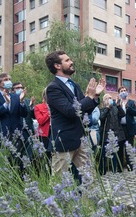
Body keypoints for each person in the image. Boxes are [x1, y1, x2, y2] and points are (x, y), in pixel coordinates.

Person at [45, 50, 106, 180]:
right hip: (64, 142)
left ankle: (87, 201)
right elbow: (70, 111)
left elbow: (85, 111)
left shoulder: (74, 85)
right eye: (67, 60)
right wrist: (88, 96)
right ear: (57, 66)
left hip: (81, 141)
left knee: (90, 179)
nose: (71, 62)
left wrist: (94, 96)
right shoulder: (53, 88)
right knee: (60, 183)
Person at [0, 73, 28, 172]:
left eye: (9, 79)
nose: (9, 81)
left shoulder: (15, 97)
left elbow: (24, 114)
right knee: (4, 162)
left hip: (16, 133)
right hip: (1, 134)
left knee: (17, 162)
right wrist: (6, 103)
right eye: (6, 79)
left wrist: (22, 102)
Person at [99, 94, 126, 174]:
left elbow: (123, 114)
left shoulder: (115, 108)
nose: (110, 99)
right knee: (104, 153)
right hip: (105, 134)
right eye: (107, 98)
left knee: (114, 153)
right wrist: (107, 107)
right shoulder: (102, 109)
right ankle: (103, 170)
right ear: (104, 100)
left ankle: (114, 169)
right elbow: (101, 117)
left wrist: (118, 105)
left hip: (115, 134)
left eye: (110, 98)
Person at [12, 82, 36, 160]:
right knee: (16, 155)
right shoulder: (10, 101)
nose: (20, 89)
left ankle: (27, 171)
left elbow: (34, 117)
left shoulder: (28, 101)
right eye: (17, 88)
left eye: (21, 87)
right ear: (13, 90)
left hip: (28, 132)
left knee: (29, 154)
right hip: (16, 132)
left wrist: (32, 107)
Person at [117, 86, 136, 171]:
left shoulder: (131, 102)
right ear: (119, 93)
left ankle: (130, 166)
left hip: (129, 127)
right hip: (120, 128)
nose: (124, 92)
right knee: (120, 147)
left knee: (129, 147)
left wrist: (128, 108)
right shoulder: (117, 103)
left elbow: (135, 113)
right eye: (122, 91)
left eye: (125, 90)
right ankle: (120, 167)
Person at [34, 88, 51, 159]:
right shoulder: (38, 107)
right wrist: (48, 113)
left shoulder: (59, 106)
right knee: (45, 155)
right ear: (44, 95)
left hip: (56, 131)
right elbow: (40, 121)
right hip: (44, 134)